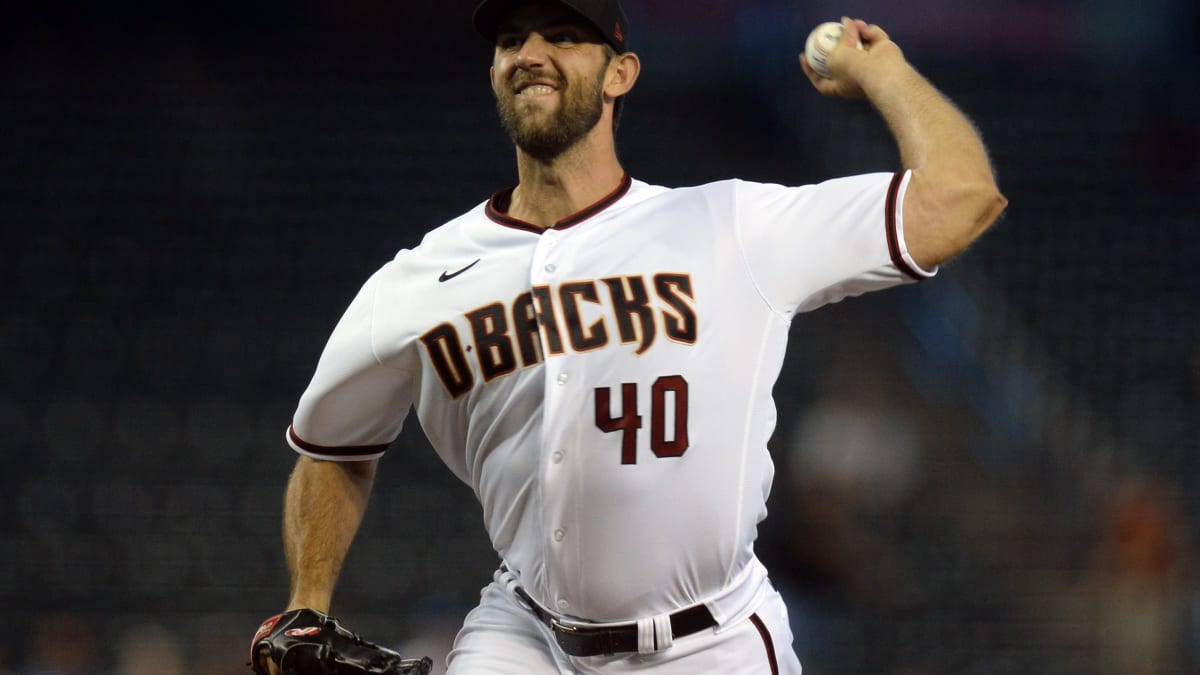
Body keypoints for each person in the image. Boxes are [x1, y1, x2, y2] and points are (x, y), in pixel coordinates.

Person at [255, 0, 1007, 673]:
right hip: (525, 635)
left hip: (712, 643)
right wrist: (307, 604)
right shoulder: (420, 278)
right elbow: (332, 447)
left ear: (620, 73)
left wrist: (886, 74)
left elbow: (960, 201)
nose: (531, 52)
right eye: (511, 39)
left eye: (562, 35)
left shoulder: (732, 226)